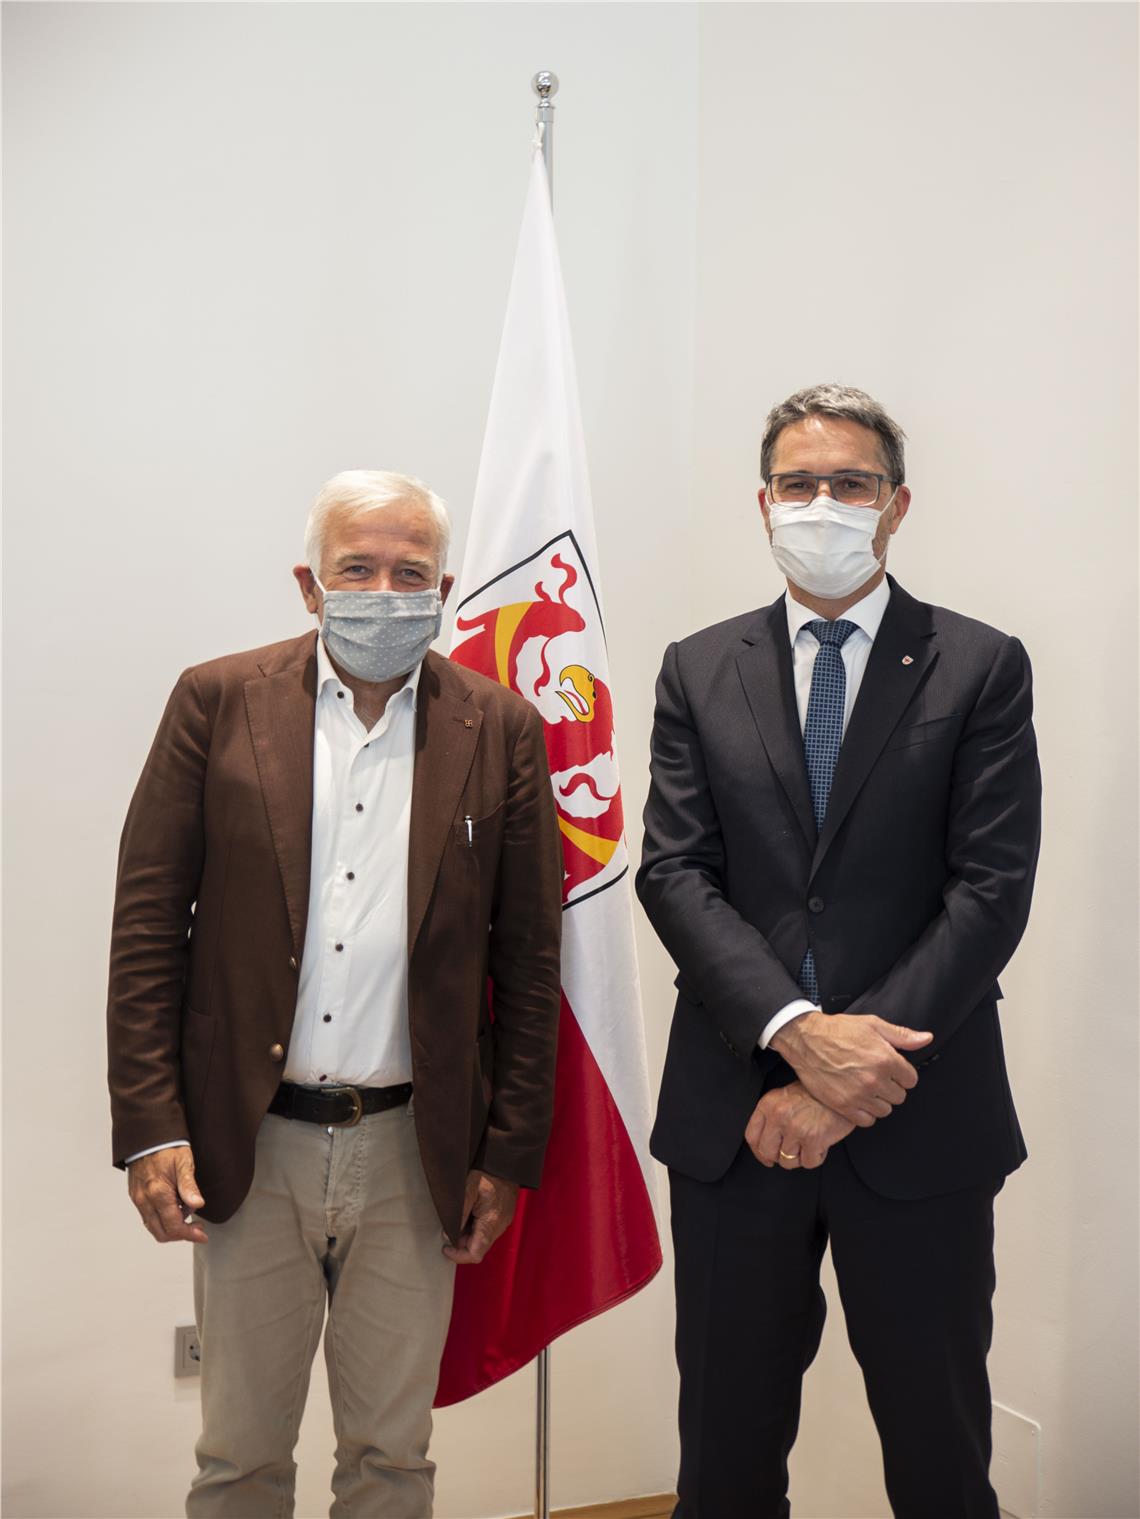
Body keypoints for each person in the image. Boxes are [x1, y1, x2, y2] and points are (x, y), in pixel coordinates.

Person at [107, 470, 563, 1518]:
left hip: (415, 1150)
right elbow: (147, 929)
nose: (384, 592)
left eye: (410, 572)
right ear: (310, 585)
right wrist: (150, 1127)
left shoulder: (499, 726)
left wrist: (507, 1153)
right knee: (239, 1458)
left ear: (443, 588)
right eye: (358, 568)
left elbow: (530, 963)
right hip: (249, 1142)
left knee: (392, 1459)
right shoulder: (216, 700)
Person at [637, 384, 1041, 1519]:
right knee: (724, 1460)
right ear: (763, 503)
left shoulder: (979, 664)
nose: (824, 503)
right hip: (736, 1122)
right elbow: (676, 871)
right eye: (799, 483)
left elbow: (991, 889)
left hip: (921, 1119)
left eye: (851, 483)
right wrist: (796, 1035)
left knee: (939, 1450)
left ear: (897, 504)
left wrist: (847, 1077)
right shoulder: (697, 667)